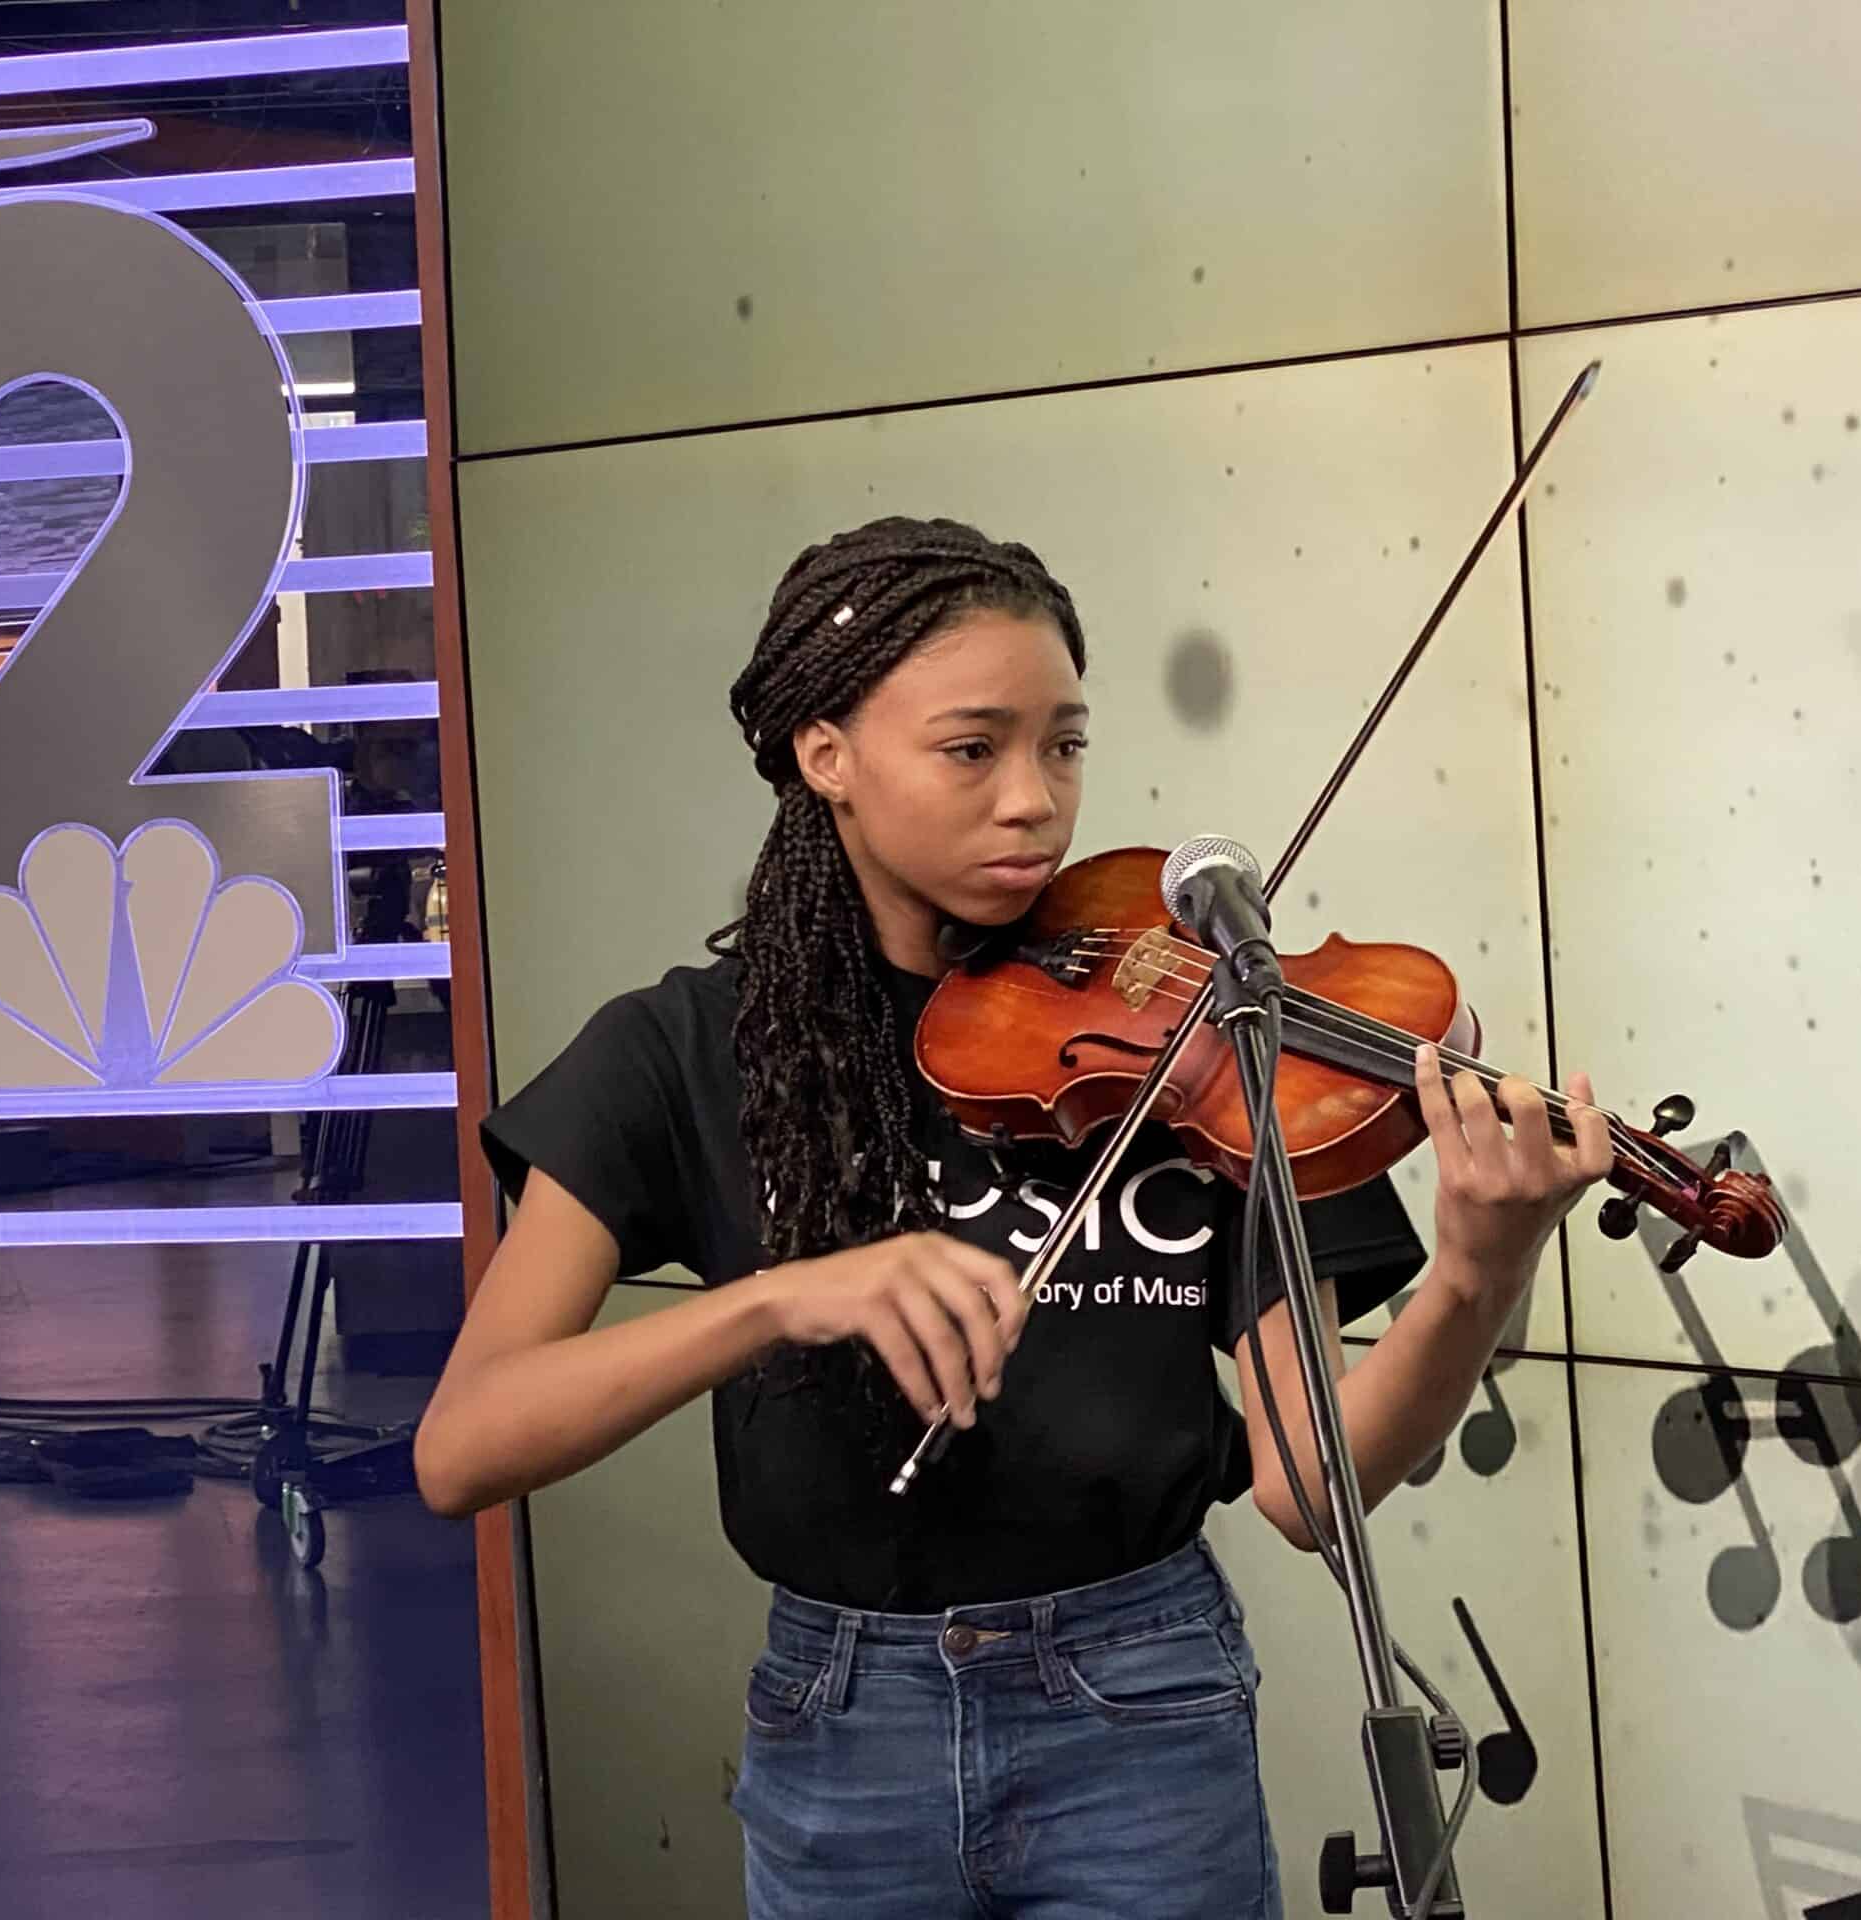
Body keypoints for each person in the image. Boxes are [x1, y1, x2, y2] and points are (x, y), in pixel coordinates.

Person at [413, 516, 1611, 1919]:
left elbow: (1304, 1485)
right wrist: (777, 1299)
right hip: (840, 1724)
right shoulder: (682, 1050)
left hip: (1141, 1707)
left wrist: (1479, 1272)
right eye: (974, 749)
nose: (1036, 800)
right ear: (827, 756)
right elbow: (463, 1449)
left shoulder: (1212, 1028)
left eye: (1066, 744)